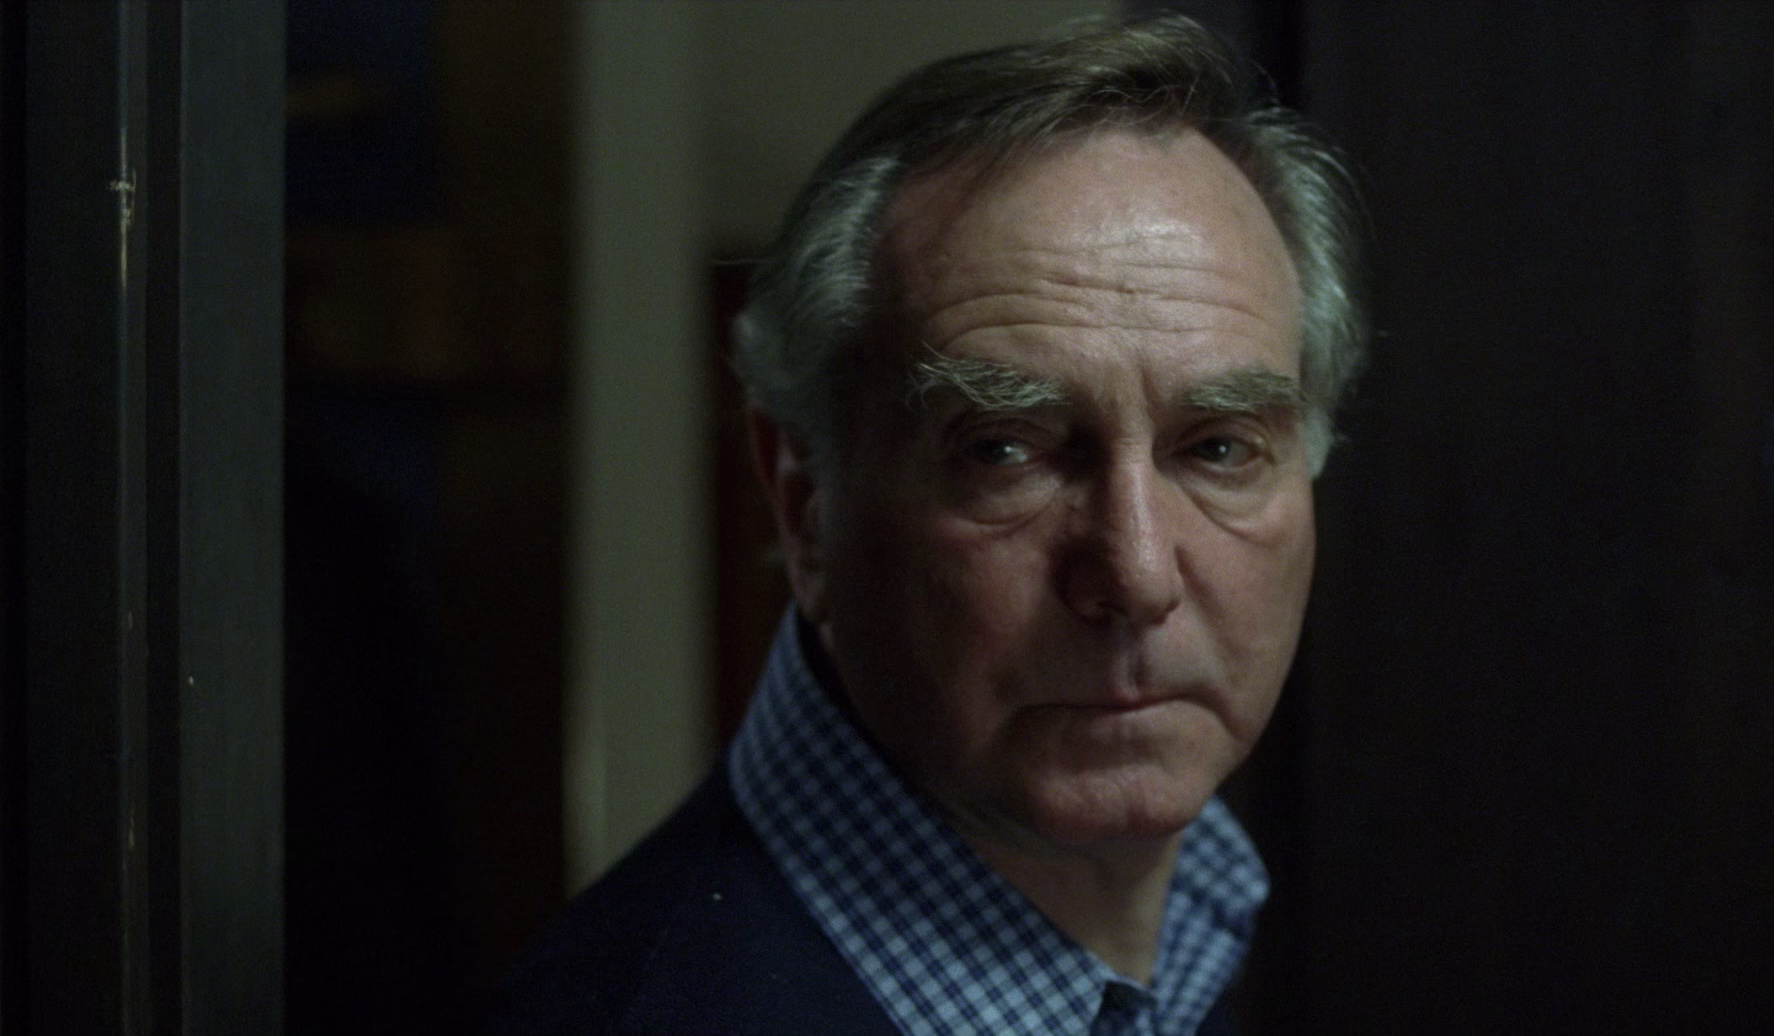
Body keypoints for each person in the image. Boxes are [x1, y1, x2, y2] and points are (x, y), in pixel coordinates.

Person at [489, 13, 1366, 1035]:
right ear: (805, 500)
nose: (1137, 574)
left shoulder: (1207, 926)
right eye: (1005, 450)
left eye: (1217, 448)